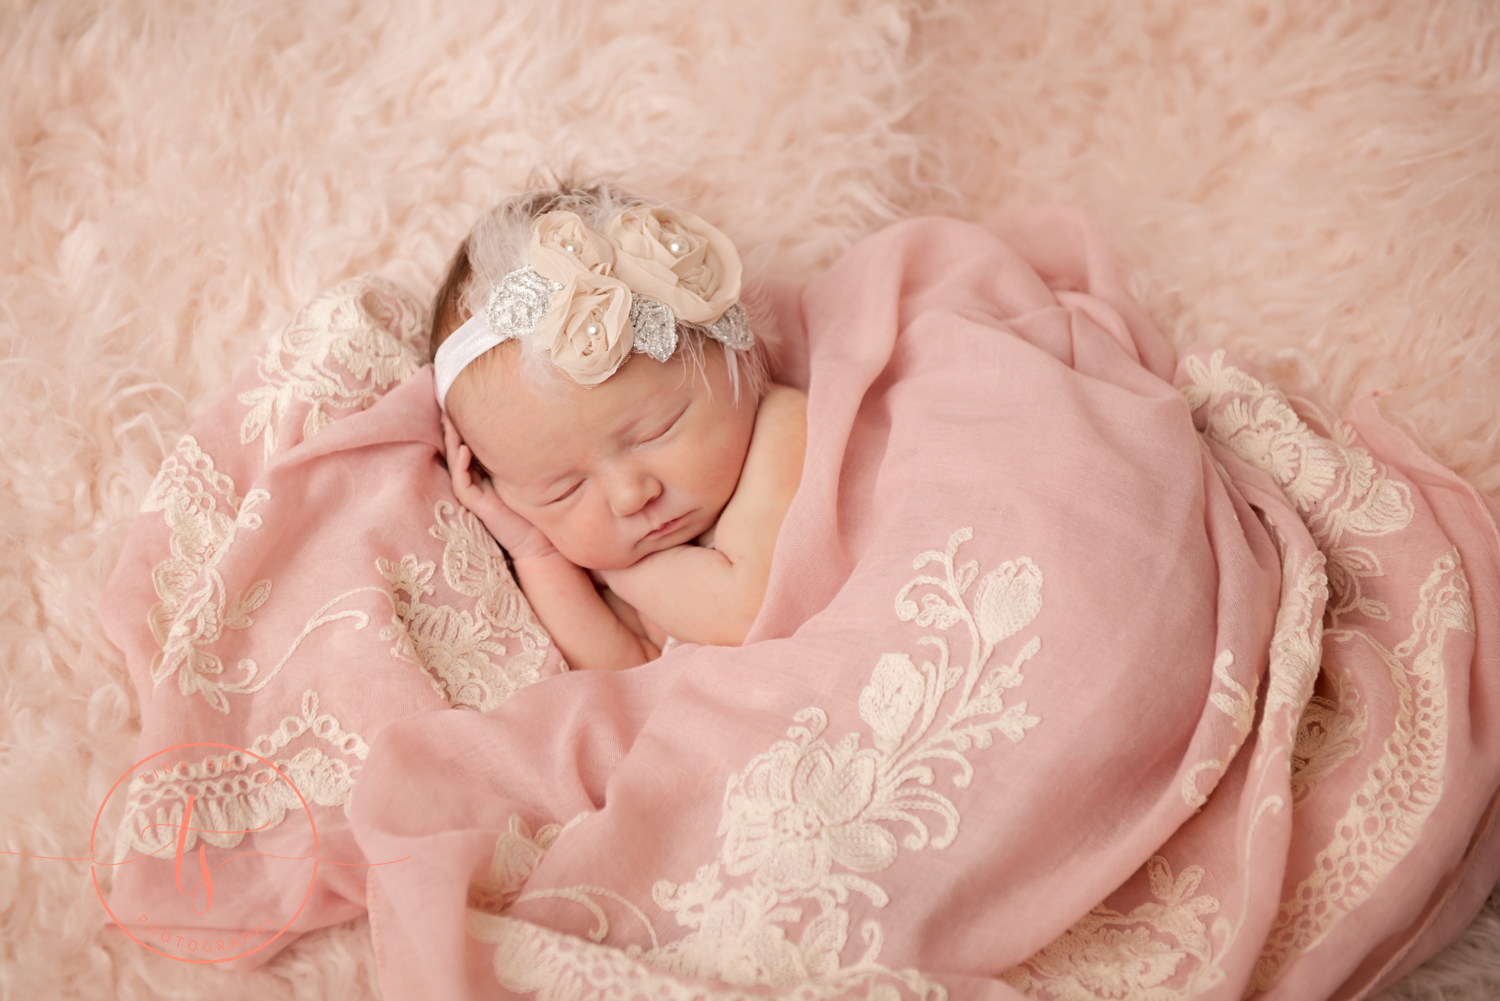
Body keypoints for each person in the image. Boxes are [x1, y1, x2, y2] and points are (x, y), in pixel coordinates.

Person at [430, 181, 807, 671]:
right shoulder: (621, 547)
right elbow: (625, 668)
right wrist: (537, 553)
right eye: (563, 490)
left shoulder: (782, 428)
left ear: (738, 355)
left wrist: (611, 570)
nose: (631, 497)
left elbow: (746, 612)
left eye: (656, 432)